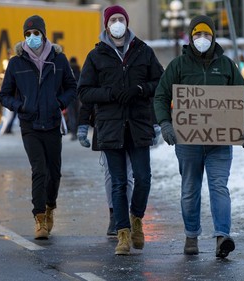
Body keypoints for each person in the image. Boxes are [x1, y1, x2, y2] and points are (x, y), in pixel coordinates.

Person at [154, 15, 244, 258]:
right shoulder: (178, 65)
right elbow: (161, 96)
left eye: (206, 34)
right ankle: (191, 235)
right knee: (190, 189)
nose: (202, 39)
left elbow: (242, 97)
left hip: (219, 142)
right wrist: (166, 124)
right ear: (190, 37)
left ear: (213, 37)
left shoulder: (227, 65)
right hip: (189, 142)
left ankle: (222, 237)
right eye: (197, 34)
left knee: (219, 186)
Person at [78, 5, 164, 255]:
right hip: (110, 127)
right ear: (106, 25)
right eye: (113, 19)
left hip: (138, 125)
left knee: (143, 178)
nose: (117, 23)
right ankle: (123, 234)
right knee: (117, 183)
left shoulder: (143, 51)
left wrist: (139, 89)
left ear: (127, 22)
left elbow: (159, 82)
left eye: (121, 19)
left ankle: (136, 218)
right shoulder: (96, 55)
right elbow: (84, 91)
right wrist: (110, 93)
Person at [0, 15, 77, 240]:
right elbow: (3, 95)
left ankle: (50, 206)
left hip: (51, 123)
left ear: (43, 34)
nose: (32, 37)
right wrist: (20, 106)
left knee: (54, 173)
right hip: (30, 124)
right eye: (28, 34)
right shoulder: (16, 63)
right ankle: (39, 218)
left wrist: (59, 102)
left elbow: (72, 87)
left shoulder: (58, 60)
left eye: (36, 33)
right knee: (39, 170)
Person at [77, 103, 134, 236]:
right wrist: (83, 123)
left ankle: (123, 214)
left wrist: (153, 122)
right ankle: (115, 215)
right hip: (106, 121)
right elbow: (88, 92)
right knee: (112, 172)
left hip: (131, 121)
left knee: (127, 173)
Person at [67, 57, 81, 141]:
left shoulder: (68, 71)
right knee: (77, 114)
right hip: (78, 96)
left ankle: (73, 133)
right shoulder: (79, 71)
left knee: (71, 115)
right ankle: (77, 131)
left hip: (69, 96)